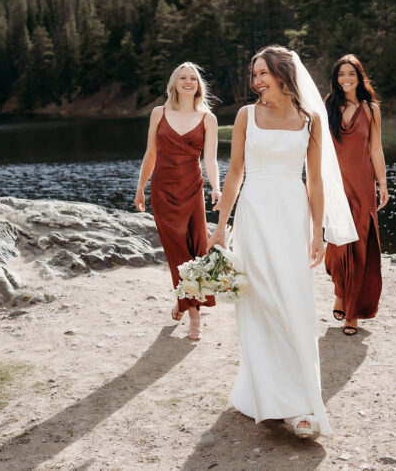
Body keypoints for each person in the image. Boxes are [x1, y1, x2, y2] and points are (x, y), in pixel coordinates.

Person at [207, 45, 356, 438]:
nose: (256, 81)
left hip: (293, 215)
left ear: (283, 74)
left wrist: (318, 231)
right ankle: (271, 398)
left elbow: (316, 180)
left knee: (294, 303)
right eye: (253, 74)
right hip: (254, 215)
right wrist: (221, 225)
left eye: (263, 73)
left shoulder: (310, 121)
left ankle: (302, 402)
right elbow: (235, 172)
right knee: (259, 302)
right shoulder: (245, 116)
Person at [135, 63, 221, 341]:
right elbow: (151, 153)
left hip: (192, 190)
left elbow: (210, 159)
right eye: (183, 77)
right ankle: (193, 312)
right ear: (174, 83)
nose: (188, 82)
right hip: (162, 190)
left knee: (196, 250)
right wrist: (140, 188)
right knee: (176, 253)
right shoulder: (158, 113)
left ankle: (186, 304)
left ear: (198, 85)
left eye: (193, 78)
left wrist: (216, 188)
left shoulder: (208, 118)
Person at [324, 55, 388, 336]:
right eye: (341, 74)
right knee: (338, 244)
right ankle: (340, 292)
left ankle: (352, 313)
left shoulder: (371, 109)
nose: (346, 78)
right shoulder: (328, 106)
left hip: (363, 185)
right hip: (335, 185)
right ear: (336, 78)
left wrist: (383, 184)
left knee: (360, 245)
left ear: (360, 76)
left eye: (351, 73)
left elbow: (375, 149)